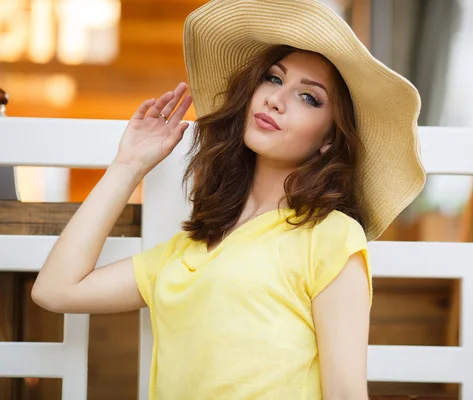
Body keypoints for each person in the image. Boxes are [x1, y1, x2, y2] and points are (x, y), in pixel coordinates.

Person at [31, 0, 426, 399]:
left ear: (328, 139)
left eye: (309, 98)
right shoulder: (188, 250)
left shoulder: (331, 237)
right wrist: (128, 165)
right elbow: (55, 290)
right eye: (273, 79)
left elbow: (345, 394)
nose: (276, 99)